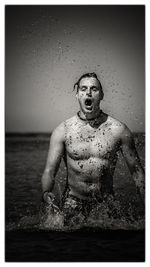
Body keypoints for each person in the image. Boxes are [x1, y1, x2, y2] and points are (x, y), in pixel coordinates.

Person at [41, 72, 144, 226]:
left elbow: (137, 173)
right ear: (77, 95)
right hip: (73, 203)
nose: (88, 92)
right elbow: (49, 171)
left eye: (94, 89)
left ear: (101, 95)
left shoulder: (118, 130)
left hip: (106, 204)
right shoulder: (63, 130)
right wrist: (46, 193)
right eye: (83, 89)